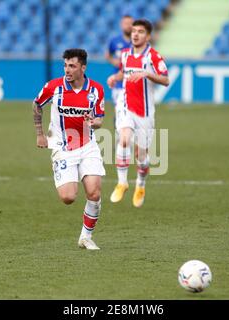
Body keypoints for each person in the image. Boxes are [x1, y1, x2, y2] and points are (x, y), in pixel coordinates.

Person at [33, 49, 105, 250]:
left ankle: (85, 236)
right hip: (62, 147)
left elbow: (99, 118)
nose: (67, 70)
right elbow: (37, 104)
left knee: (94, 192)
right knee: (68, 197)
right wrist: (40, 133)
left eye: (72, 66)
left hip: (88, 146)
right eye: (65, 65)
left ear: (83, 67)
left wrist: (95, 123)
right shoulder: (54, 87)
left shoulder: (96, 90)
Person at [107, 19, 169, 208]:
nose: (135, 34)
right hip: (125, 103)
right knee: (124, 138)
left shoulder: (154, 57)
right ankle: (122, 182)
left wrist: (147, 74)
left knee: (141, 155)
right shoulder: (125, 54)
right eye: (134, 31)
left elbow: (165, 80)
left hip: (145, 111)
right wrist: (114, 77)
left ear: (148, 36)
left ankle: (140, 185)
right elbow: (123, 73)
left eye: (140, 31)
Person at [105, 14, 133, 127]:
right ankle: (120, 138)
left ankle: (128, 138)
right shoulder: (115, 41)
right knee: (120, 110)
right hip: (118, 82)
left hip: (132, 81)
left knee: (131, 113)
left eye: (130, 23)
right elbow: (108, 55)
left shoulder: (136, 41)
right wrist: (114, 62)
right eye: (126, 23)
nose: (128, 26)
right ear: (121, 25)